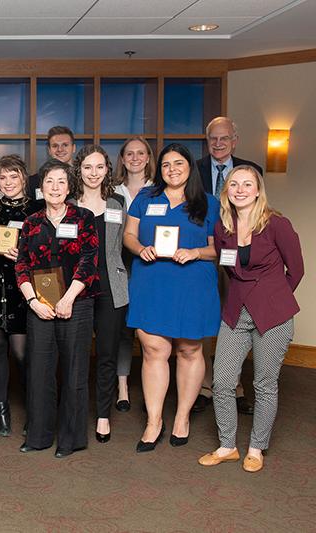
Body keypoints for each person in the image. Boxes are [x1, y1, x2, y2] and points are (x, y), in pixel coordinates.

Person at [198, 166, 303, 473]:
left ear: (258, 190)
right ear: (226, 190)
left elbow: (296, 270)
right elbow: (230, 269)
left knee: (264, 384)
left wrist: (273, 299)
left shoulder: (277, 224)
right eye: (234, 184)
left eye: (247, 184)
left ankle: (256, 448)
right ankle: (227, 446)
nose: (240, 189)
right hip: (235, 311)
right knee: (223, 381)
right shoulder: (222, 227)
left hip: (273, 315)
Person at [123, 143, 220, 452]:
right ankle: (154, 421)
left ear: (190, 167)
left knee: (190, 350)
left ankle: (181, 417)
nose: (172, 169)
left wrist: (195, 252)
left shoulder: (208, 203)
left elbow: (218, 248)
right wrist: (141, 249)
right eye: (166, 165)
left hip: (192, 284)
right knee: (153, 350)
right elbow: (128, 235)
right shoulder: (145, 198)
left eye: (179, 163)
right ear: (159, 169)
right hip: (151, 281)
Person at [15, 160, 98, 457]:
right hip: (40, 306)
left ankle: (70, 440)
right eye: (50, 181)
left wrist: (68, 299)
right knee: (39, 371)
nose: (55, 187)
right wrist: (33, 302)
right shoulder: (32, 222)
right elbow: (21, 264)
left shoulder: (84, 218)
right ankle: (38, 436)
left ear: (69, 187)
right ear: (41, 187)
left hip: (76, 303)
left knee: (74, 372)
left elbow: (89, 261)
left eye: (61, 182)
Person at [194, 116, 263, 416]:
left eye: (224, 138)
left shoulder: (252, 171)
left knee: (237, 320)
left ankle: (234, 387)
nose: (218, 144)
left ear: (235, 140)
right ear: (206, 141)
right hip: (207, 254)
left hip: (241, 257)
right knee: (209, 321)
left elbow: (260, 212)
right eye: (213, 139)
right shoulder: (194, 170)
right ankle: (206, 385)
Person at [71, 145, 129, 443]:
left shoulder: (118, 204)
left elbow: (123, 246)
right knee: (77, 355)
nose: (93, 173)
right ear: (78, 170)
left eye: (99, 167)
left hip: (110, 287)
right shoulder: (68, 204)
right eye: (87, 167)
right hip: (76, 289)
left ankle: (103, 415)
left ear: (107, 170)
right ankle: (77, 412)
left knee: (106, 353)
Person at [0, 155, 42, 436]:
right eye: (2, 177)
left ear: (23, 179)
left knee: (21, 351)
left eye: (13, 176)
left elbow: (46, 246)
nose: (8, 182)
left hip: (25, 285)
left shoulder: (38, 208)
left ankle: (35, 408)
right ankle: (1, 408)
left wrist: (25, 254)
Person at [112, 137, 155, 411]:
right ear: (123, 158)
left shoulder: (159, 190)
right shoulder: (112, 191)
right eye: (130, 153)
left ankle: (156, 382)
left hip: (150, 264)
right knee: (123, 327)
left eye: (141, 153)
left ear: (149, 157)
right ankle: (123, 386)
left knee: (150, 327)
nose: (135, 158)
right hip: (119, 263)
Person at [28, 125, 77, 199]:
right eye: (55, 146)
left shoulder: (82, 179)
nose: (60, 149)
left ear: (73, 148)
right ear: (49, 150)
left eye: (65, 145)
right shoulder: (33, 182)